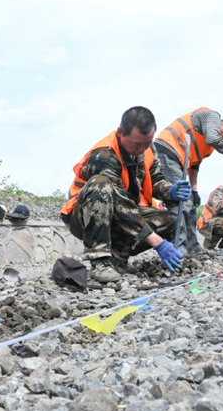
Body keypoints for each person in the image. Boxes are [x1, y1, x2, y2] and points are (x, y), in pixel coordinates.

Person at [60, 107, 192, 283]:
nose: (142, 149)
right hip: (85, 216)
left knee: (173, 222)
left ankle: (117, 258)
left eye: (147, 143)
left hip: (123, 212)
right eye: (136, 144)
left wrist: (170, 191)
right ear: (121, 133)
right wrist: (157, 242)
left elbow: (155, 180)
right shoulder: (104, 154)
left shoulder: (148, 149)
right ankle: (100, 261)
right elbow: (120, 203)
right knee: (101, 185)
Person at [154, 108, 223, 254]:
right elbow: (213, 139)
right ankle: (179, 249)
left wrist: (194, 190)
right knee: (181, 201)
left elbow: (194, 167)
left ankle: (193, 248)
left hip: (178, 161)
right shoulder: (212, 116)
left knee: (190, 204)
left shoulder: (207, 146)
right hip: (167, 151)